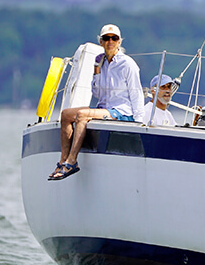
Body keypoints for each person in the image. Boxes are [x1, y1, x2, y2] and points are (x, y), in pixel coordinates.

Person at [49, 24, 145, 180]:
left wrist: (140, 122)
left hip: (122, 111)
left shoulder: (127, 64)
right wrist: (97, 70)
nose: (110, 42)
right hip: (105, 108)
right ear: (101, 42)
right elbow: (97, 93)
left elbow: (136, 93)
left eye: (114, 38)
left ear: (120, 42)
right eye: (106, 39)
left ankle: (72, 161)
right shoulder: (101, 63)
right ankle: (62, 161)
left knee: (82, 115)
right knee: (66, 115)